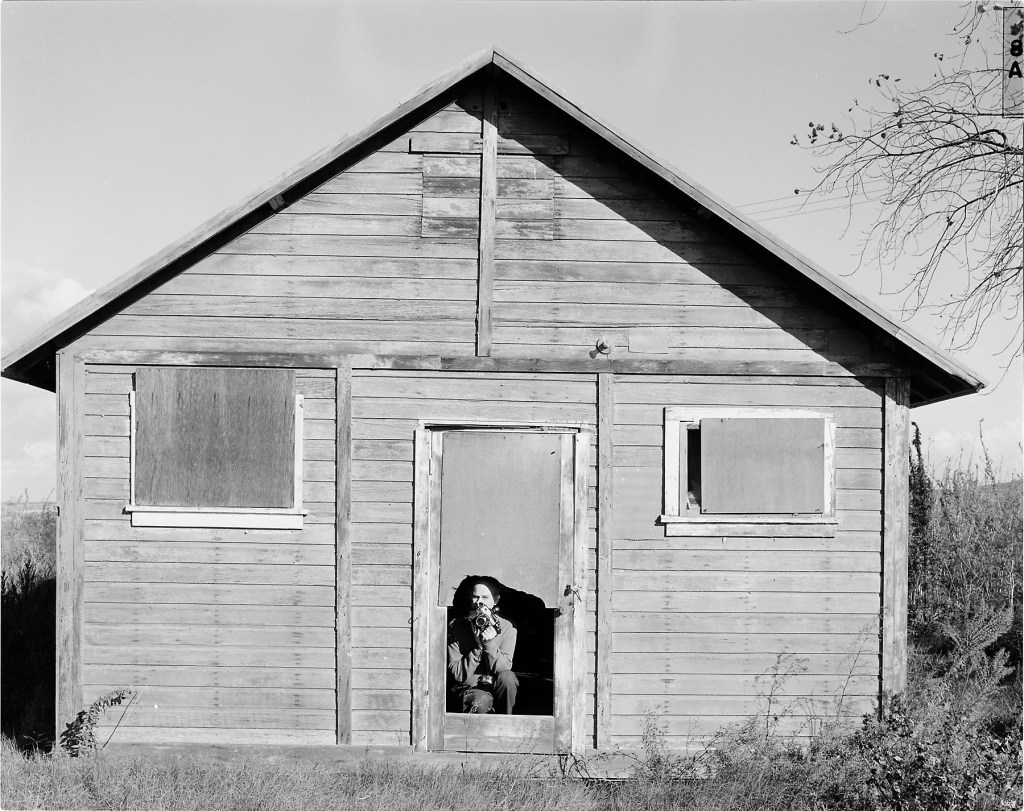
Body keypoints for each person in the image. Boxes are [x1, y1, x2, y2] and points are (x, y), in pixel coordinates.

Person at [447, 576, 519, 714]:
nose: (479, 602)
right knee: (480, 700)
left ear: (495, 600)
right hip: (468, 688)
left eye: (485, 597)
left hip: (495, 685)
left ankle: (506, 721)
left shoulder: (507, 626)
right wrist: (478, 647)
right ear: (470, 598)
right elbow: (457, 674)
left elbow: (505, 668)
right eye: (476, 597)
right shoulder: (456, 626)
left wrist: (488, 643)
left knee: (508, 678)